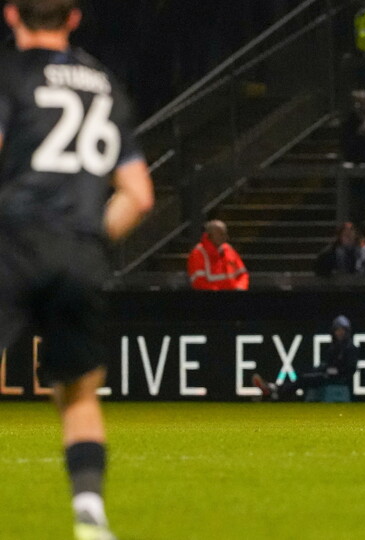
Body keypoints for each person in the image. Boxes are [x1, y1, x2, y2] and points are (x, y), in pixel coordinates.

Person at [0, 1, 155, 539]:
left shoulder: (10, 73)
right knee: (80, 393)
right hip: (80, 251)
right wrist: (86, 239)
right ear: (72, 19)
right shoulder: (104, 83)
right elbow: (138, 194)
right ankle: (89, 516)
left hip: (15, 240)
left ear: (13, 15)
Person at [253, 315, 359, 402]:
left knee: (304, 378)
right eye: (337, 330)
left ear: (347, 331)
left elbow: (351, 368)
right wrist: (325, 368)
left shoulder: (350, 348)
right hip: (327, 375)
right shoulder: (334, 347)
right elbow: (329, 364)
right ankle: (276, 389)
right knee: (302, 372)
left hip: (337, 379)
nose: (339, 333)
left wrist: (336, 372)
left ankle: (275, 391)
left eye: (342, 330)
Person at [187, 220, 249, 290]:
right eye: (220, 234)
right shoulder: (198, 253)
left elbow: (242, 274)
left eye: (225, 234)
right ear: (209, 235)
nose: (225, 237)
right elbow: (198, 282)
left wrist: (241, 287)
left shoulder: (229, 249)